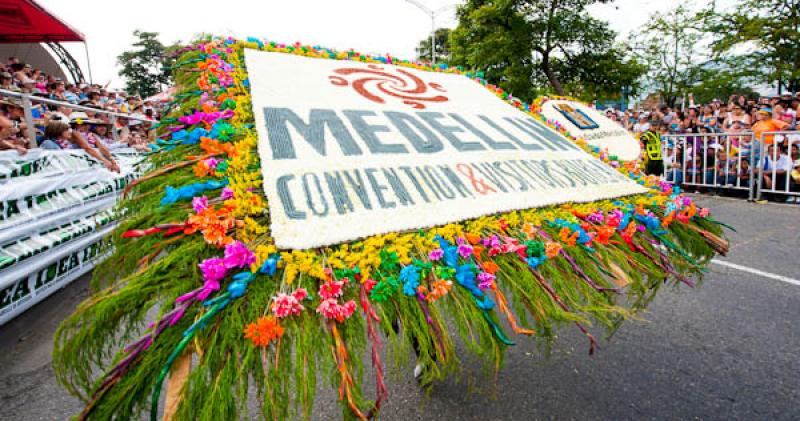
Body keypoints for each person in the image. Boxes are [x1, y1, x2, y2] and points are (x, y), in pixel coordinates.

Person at [40, 120, 120, 172]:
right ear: (58, 131)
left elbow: (102, 148)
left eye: (87, 124)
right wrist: (106, 162)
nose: (86, 126)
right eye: (82, 124)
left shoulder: (89, 135)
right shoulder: (49, 143)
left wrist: (112, 161)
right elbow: (87, 148)